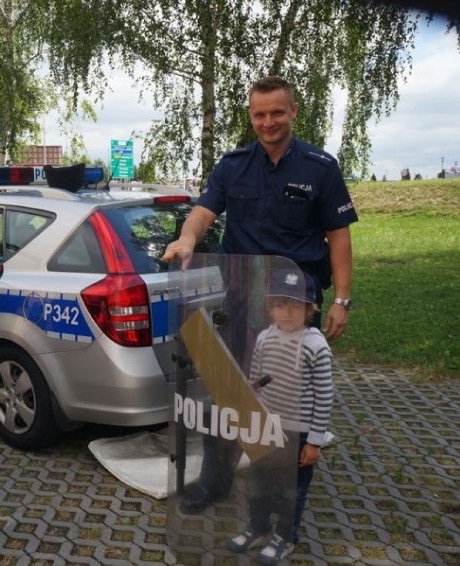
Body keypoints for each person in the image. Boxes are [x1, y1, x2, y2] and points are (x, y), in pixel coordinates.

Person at [163, 76, 357, 513]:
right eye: (259, 114)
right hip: (242, 301)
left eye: (276, 112)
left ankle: (281, 494)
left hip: (295, 308)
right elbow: (204, 210)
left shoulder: (320, 167)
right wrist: (189, 238)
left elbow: (338, 236)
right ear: (250, 116)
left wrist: (342, 300)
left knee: (288, 399)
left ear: (293, 113)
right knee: (229, 393)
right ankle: (215, 483)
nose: (267, 122)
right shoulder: (232, 166)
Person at [226, 269, 333, 564]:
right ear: (270, 307)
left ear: (310, 310)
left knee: (291, 491)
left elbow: (324, 396)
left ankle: (285, 537)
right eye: (280, 304)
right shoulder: (264, 338)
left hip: (297, 434)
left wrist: (314, 441)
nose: (287, 313)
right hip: (267, 427)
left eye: (296, 306)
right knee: (258, 483)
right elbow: (257, 381)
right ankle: (258, 528)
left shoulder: (315, 345)